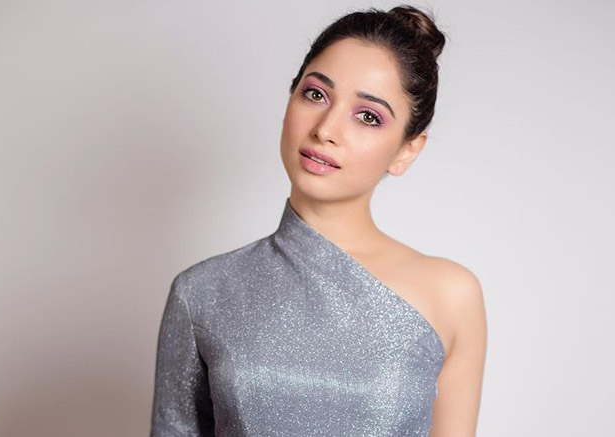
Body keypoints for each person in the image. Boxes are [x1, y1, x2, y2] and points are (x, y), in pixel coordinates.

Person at [150, 4, 487, 437]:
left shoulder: (451, 295)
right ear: (290, 99)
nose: (326, 129)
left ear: (407, 150)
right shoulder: (200, 292)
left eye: (368, 116)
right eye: (315, 94)